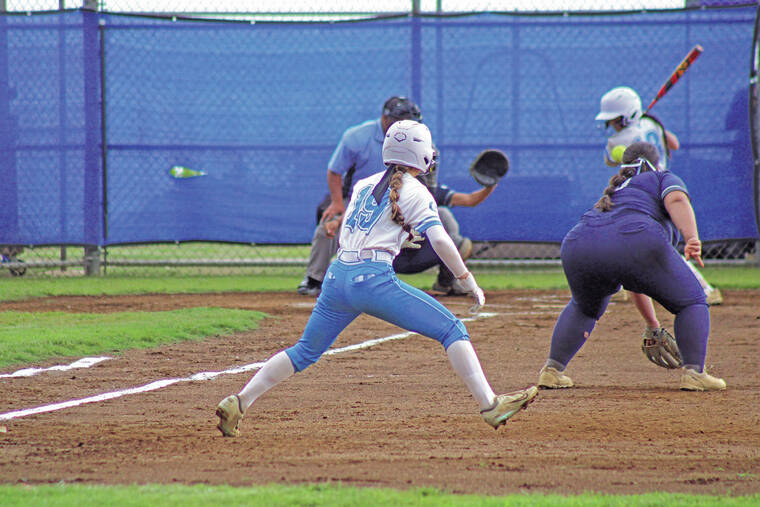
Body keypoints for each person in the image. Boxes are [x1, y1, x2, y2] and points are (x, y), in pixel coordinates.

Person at [217, 120, 538, 437]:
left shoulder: (363, 184)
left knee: (304, 351)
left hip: (337, 277)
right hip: (371, 279)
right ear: (420, 154)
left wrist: (397, 238)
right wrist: (467, 279)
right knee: (452, 329)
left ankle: (240, 401)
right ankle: (489, 405)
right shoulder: (417, 191)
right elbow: (441, 240)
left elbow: (359, 230)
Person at [537, 141, 725, 392]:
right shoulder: (661, 177)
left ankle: (552, 371)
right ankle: (695, 373)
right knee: (693, 301)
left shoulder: (616, 190)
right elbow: (677, 198)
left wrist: (652, 324)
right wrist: (692, 238)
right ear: (657, 163)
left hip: (579, 242)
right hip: (635, 238)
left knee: (584, 308)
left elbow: (634, 278)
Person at [297, 96, 472, 297]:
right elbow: (334, 171)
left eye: (411, 122)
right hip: (359, 197)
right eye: (400, 121)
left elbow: (428, 190)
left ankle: (449, 280)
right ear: (385, 119)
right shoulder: (357, 137)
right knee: (329, 223)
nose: (406, 127)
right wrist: (337, 204)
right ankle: (314, 278)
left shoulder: (423, 144)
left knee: (445, 219)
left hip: (401, 200)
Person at [595, 86, 723, 342]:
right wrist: (651, 126)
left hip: (644, 195)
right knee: (651, 243)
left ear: (627, 116)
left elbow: (610, 159)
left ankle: (703, 288)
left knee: (653, 244)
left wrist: (635, 133)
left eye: (616, 120)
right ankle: (623, 282)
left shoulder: (620, 139)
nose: (613, 126)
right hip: (664, 185)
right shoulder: (651, 123)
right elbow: (673, 143)